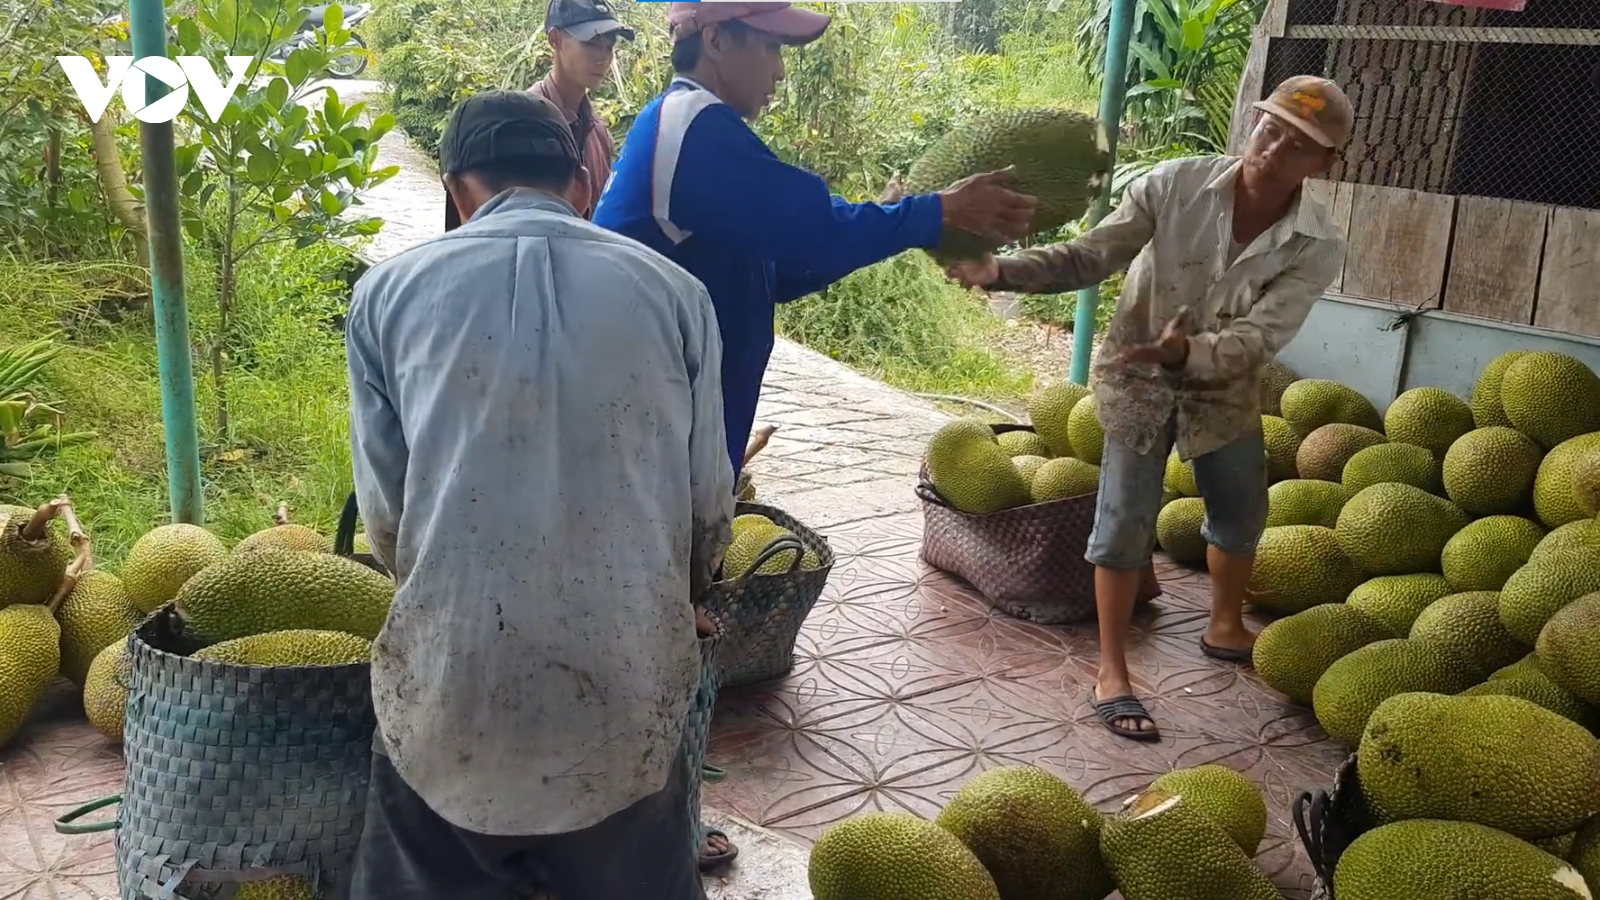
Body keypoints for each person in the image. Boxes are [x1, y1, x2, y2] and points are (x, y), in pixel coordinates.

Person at [345, 89, 733, 900]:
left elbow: (387, 519)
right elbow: (706, 507)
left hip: (450, 691)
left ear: (456, 191)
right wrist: (684, 596)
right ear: (581, 185)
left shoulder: (385, 295)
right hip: (626, 691)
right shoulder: (676, 294)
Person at [946, 75, 1353, 742]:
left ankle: (1225, 624)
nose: (1275, 146)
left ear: (1323, 165)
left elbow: (1263, 336)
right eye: (1271, 127)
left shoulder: (1315, 245)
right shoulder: (1175, 184)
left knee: (1242, 505)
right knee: (1125, 518)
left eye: (1299, 144)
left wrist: (1187, 353)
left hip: (1223, 385)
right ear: (1252, 124)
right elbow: (1091, 256)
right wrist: (1003, 272)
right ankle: (1112, 671)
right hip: (1136, 375)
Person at [592, 1, 1039, 491]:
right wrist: (937, 212)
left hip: (661, 421)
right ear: (716, 40)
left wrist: (891, 220)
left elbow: (775, 266)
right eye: (771, 47)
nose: (780, 71)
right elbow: (814, 235)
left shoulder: (680, 124)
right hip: (648, 429)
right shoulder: (694, 128)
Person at [530, 0, 633, 218]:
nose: (603, 58)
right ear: (555, 40)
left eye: (609, 46)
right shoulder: (524, 121)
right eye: (592, 43)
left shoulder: (598, 133)